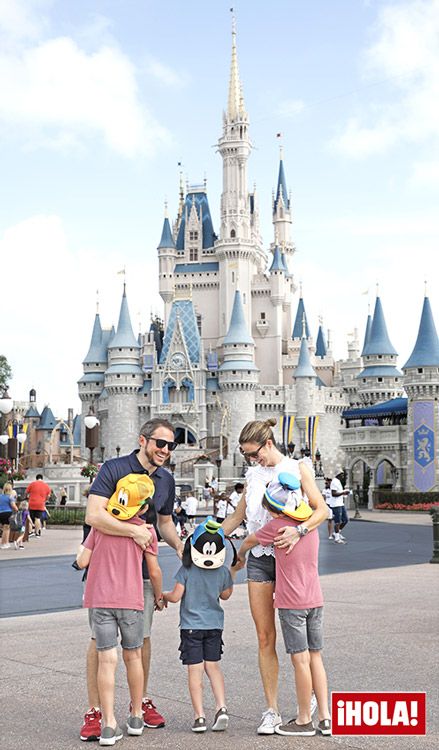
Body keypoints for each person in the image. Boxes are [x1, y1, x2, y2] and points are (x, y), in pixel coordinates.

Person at [221, 418, 328, 734]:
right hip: (259, 561)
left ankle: (306, 706)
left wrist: (299, 530)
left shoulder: (298, 469)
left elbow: (320, 509)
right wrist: (204, 537)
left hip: (291, 560)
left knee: (300, 642)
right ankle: (271, 711)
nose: (252, 461)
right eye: (247, 456)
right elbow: (237, 519)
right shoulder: (253, 476)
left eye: (254, 454)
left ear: (268, 444)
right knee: (265, 636)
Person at [80, 418, 183, 741]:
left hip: (141, 572)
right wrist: (134, 531)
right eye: (160, 443)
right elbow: (94, 515)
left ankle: (139, 703)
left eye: (170, 445)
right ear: (143, 440)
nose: (165, 450)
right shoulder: (114, 469)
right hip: (106, 569)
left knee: (142, 639)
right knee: (101, 642)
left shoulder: (165, 481)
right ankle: (96, 710)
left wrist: (181, 546)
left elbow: (164, 523)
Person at [77, 476, 164, 746]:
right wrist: (159, 596)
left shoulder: (100, 527)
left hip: (100, 601)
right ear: (142, 508)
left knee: (106, 660)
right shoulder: (146, 532)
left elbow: (81, 562)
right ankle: (136, 716)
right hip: (130, 601)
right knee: (134, 656)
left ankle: (109, 723)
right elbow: (154, 570)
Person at [163, 518, 233, 732]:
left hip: (191, 628)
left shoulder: (187, 570)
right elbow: (226, 594)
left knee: (195, 671)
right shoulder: (222, 571)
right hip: (214, 626)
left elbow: (175, 597)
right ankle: (221, 707)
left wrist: (163, 596)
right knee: (212, 666)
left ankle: (199, 717)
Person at [25, 473, 51, 538]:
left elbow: (26, 492)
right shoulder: (46, 486)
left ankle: (30, 532)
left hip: (32, 503)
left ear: (36, 478)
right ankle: (37, 533)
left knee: (30, 518)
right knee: (38, 518)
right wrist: (44, 499)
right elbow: (48, 496)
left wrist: (28, 497)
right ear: (42, 479)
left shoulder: (32, 484)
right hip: (40, 504)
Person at [330, 468, 350, 544]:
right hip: (336, 505)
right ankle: (337, 538)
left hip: (340, 503)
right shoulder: (334, 482)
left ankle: (336, 533)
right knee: (337, 521)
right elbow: (333, 493)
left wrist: (344, 493)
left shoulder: (338, 481)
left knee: (345, 520)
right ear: (338, 475)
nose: (343, 476)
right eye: (342, 474)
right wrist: (343, 493)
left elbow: (338, 492)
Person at [0, 482, 18, 549]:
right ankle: (5, 543)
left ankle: (3, 543)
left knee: (3, 529)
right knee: (7, 529)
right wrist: (17, 510)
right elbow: (14, 506)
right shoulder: (10, 497)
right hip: (7, 513)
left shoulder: (0, 496)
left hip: (0, 513)